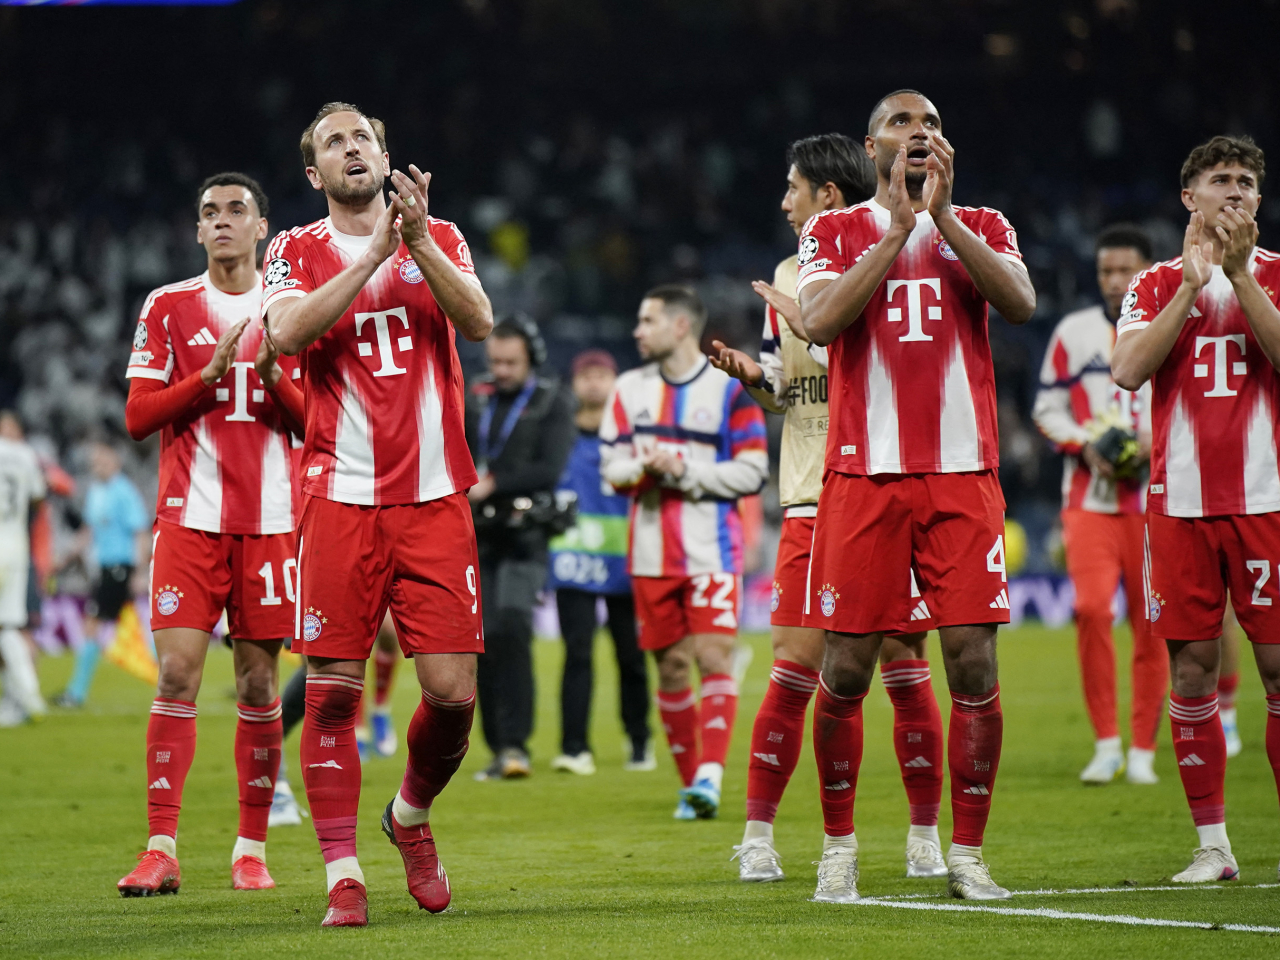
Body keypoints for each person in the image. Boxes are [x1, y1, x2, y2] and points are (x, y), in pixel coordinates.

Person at [797, 90, 1036, 902]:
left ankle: (966, 853)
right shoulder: (832, 229)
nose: (920, 134)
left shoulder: (987, 224)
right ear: (872, 147)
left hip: (962, 475)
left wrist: (945, 222)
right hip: (864, 478)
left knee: (972, 658)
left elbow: (1021, 304)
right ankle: (838, 846)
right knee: (848, 667)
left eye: (932, 123)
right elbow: (821, 321)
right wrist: (898, 228)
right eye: (903, 124)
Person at [264, 101, 493, 927]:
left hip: (434, 496)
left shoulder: (443, 235)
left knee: (455, 695)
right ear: (314, 173)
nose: (352, 148)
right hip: (339, 496)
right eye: (335, 142)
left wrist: (419, 240)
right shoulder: (293, 248)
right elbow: (287, 333)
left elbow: (479, 320)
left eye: (364, 137)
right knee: (329, 692)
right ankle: (343, 875)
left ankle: (409, 817)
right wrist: (373, 259)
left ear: (387, 155)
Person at [711, 133, 948, 883]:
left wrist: (813, 319)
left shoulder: (894, 266)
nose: (784, 202)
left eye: (794, 188)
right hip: (811, 494)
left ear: (829, 196)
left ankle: (923, 839)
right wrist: (757, 377)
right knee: (794, 667)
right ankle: (758, 837)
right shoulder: (789, 270)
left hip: (882, 488)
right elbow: (792, 394)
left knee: (908, 667)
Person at [113, 172, 305, 897]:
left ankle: (250, 849)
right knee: (175, 675)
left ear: (262, 228)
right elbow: (137, 419)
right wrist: (210, 376)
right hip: (188, 523)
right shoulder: (167, 306)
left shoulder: (290, 309)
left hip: (271, 525)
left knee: (257, 683)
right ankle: (161, 847)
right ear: (197, 231)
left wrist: (274, 376)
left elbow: (317, 424)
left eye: (236, 211)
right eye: (208, 213)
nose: (221, 222)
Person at [1111, 134, 1280, 884]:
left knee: (1278, 669)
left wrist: (1241, 277)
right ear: (1190, 198)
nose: (1236, 192)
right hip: (1179, 506)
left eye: (1247, 181)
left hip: (1267, 501)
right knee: (1191, 671)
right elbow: (1126, 370)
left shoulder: (1276, 273)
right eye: (1221, 180)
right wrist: (1190, 285)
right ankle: (1213, 845)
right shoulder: (1152, 283)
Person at [600, 285, 769, 820]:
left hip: (712, 551)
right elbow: (612, 467)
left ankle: (711, 778)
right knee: (671, 668)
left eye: (646, 321)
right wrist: (647, 469)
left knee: (715, 656)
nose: (637, 331)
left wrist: (687, 472)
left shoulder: (729, 391)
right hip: (649, 554)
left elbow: (753, 470)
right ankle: (693, 786)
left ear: (679, 326)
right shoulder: (629, 389)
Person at [1032, 224, 1163, 786]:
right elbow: (1046, 409)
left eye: (1126, 270)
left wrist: (1158, 442)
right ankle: (1107, 742)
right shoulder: (1073, 331)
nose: (1115, 281)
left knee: (1151, 624)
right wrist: (1084, 444)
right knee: (1090, 611)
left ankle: (1143, 750)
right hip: (1087, 499)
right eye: (1107, 271)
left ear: (1147, 271)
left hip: (1155, 500)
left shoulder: (1169, 327)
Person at [464, 315, 576, 780]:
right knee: (482, 638)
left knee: (512, 623)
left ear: (532, 358)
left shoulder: (552, 401)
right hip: (479, 532)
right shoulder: (475, 398)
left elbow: (550, 468)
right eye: (496, 362)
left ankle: (516, 744)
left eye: (511, 362)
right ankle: (498, 748)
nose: (502, 370)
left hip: (527, 533)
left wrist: (493, 483)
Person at [548, 349, 651, 775]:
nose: (593, 382)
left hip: (627, 558)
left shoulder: (632, 436)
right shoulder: (558, 436)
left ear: (615, 382)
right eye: (585, 375)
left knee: (630, 654)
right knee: (578, 653)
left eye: (601, 374)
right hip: (573, 559)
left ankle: (640, 741)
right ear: (575, 384)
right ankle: (574, 747)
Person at [57, 441, 149, 708]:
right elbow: (88, 531)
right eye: (95, 463)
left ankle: (76, 692)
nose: (98, 467)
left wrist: (140, 571)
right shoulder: (96, 492)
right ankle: (169, 680)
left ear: (115, 463)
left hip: (120, 566)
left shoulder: (124, 491)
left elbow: (140, 532)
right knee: (136, 629)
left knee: (92, 626)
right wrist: (66, 556)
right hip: (103, 568)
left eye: (103, 462)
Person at [0, 416, 47, 726]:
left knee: (6, 627)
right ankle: (21, 697)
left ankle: (27, 696)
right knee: (8, 624)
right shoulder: (27, 454)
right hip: (15, 545)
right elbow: (38, 496)